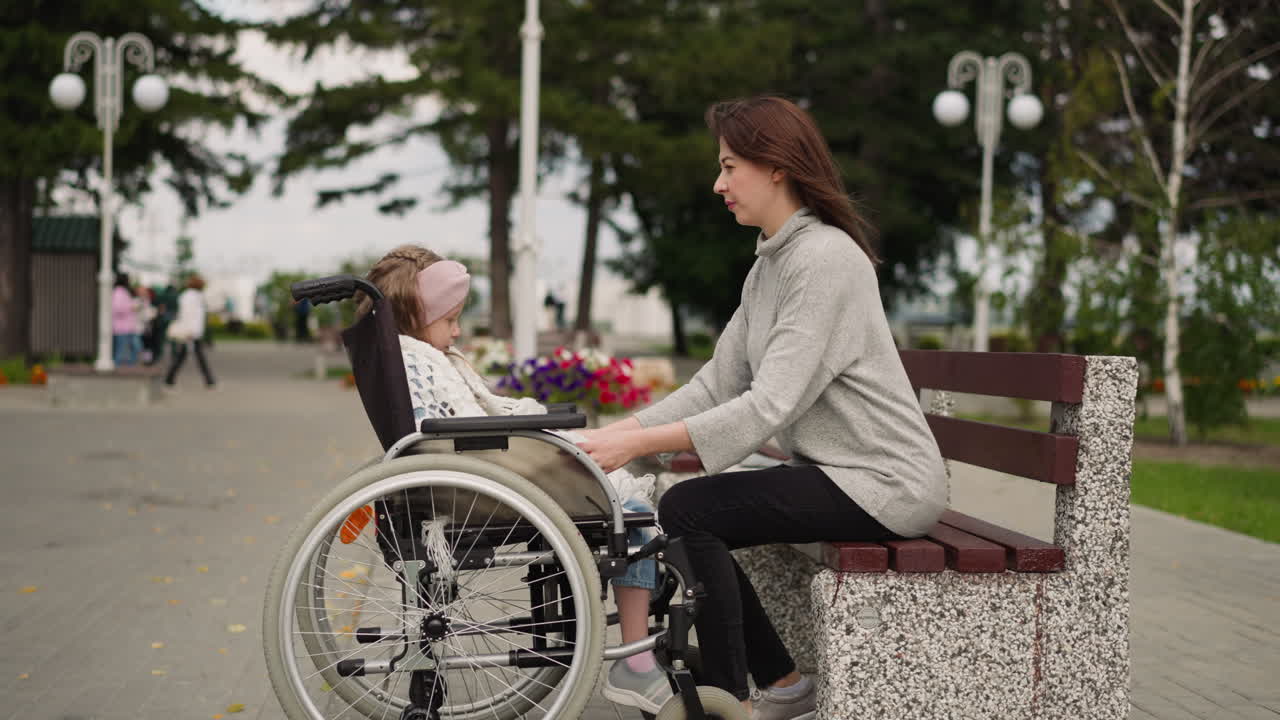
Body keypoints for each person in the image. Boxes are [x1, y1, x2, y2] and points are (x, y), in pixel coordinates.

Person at [573, 96, 948, 720]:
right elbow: (718, 382)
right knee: (689, 507)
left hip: (886, 482)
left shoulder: (825, 259)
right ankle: (778, 683)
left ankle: (730, 700)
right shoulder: (770, 265)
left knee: (689, 508)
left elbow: (770, 402)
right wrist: (620, 434)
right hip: (839, 473)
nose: (718, 183)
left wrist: (636, 445)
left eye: (729, 166)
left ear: (776, 166)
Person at [359, 245, 673, 714]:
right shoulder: (420, 361)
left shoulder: (400, 356)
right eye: (450, 320)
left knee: (606, 480)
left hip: (463, 482)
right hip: (481, 488)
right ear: (418, 313)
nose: (458, 330)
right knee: (628, 512)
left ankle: (637, 649)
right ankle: (637, 661)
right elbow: (459, 429)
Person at [164, 274, 216, 388]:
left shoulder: (195, 296)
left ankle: (170, 378)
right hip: (191, 331)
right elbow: (188, 315)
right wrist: (190, 330)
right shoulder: (189, 297)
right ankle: (209, 380)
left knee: (184, 355)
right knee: (196, 356)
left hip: (193, 330)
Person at [110, 273, 141, 367]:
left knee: (131, 348)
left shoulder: (121, 292)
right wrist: (131, 307)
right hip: (122, 327)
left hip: (126, 326)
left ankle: (127, 366)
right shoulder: (119, 292)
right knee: (122, 350)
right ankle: (119, 367)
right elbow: (117, 308)